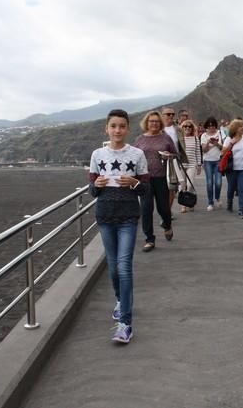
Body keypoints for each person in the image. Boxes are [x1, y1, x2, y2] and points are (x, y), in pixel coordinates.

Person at [89, 109, 149, 344]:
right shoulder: (97, 154)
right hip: (105, 215)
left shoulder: (137, 155)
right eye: (113, 126)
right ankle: (119, 300)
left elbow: (146, 190)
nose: (117, 130)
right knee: (113, 268)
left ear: (127, 129)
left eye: (122, 126)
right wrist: (98, 184)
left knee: (124, 268)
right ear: (107, 128)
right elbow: (92, 191)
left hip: (128, 217)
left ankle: (125, 323)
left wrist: (134, 183)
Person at [133, 111, 177, 252]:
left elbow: (176, 154)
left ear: (160, 123)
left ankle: (167, 225)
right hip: (144, 178)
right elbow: (134, 159)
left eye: (157, 121)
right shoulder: (139, 139)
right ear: (146, 123)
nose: (154, 123)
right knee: (146, 208)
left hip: (161, 177)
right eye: (151, 121)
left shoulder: (166, 138)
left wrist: (169, 156)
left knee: (163, 207)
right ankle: (149, 239)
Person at [222, 118, 243, 219]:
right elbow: (223, 152)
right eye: (240, 126)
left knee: (241, 189)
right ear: (235, 128)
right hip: (231, 168)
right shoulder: (228, 139)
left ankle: (241, 210)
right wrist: (231, 143)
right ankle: (229, 203)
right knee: (231, 188)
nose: (242, 128)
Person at [160, 107, 187, 217]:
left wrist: (181, 156)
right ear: (162, 115)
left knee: (172, 188)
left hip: (174, 160)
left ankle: (167, 211)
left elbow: (181, 144)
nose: (171, 116)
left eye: (172, 114)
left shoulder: (178, 129)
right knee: (162, 188)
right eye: (168, 114)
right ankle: (165, 212)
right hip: (160, 161)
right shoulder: (158, 129)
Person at [178, 119, 203, 213]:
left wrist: (199, 164)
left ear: (192, 128)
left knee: (189, 185)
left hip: (192, 164)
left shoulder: (195, 139)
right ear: (182, 128)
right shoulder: (179, 139)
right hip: (181, 165)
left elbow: (198, 152)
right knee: (182, 185)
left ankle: (190, 202)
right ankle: (183, 205)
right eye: (185, 126)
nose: (187, 128)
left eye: (190, 126)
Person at [200, 116, 224, 211]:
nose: (211, 127)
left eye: (213, 125)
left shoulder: (220, 133)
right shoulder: (203, 136)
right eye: (209, 126)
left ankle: (217, 197)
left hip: (218, 160)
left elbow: (222, 148)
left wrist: (216, 143)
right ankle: (210, 202)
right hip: (207, 161)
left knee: (218, 182)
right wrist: (209, 142)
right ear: (207, 126)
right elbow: (204, 150)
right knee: (209, 182)